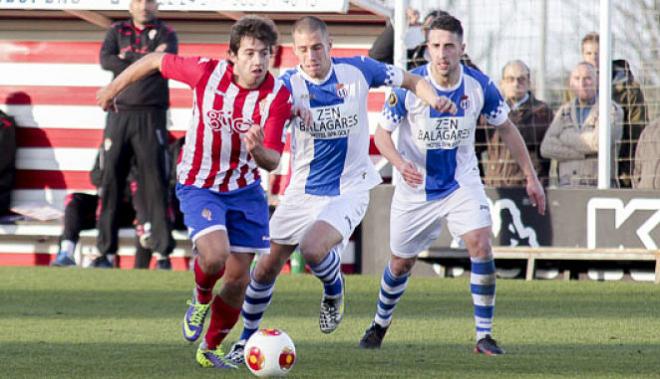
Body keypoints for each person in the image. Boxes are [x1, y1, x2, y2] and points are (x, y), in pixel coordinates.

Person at [224, 15, 457, 366]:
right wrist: (257, 147)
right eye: (303, 50)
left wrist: (435, 98)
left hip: (350, 188)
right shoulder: (284, 87)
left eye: (317, 47)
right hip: (302, 191)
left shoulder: (359, 70)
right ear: (295, 52)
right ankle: (244, 342)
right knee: (264, 268)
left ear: (329, 46)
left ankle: (334, 288)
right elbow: (270, 154)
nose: (311, 56)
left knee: (313, 248)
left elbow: (409, 79)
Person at [97, 15, 291, 369]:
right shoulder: (206, 73)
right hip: (200, 183)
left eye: (265, 53)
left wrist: (258, 150)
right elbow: (154, 60)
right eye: (249, 53)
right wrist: (112, 91)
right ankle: (200, 298)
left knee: (238, 280)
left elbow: (273, 160)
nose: (258, 61)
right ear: (231, 55)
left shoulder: (277, 96)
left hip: (245, 189)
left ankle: (210, 348)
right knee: (215, 257)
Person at [357, 15, 546, 355]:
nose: (442, 54)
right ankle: (379, 323)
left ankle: (484, 336)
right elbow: (382, 135)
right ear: (427, 49)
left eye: (449, 46)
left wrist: (531, 177)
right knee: (401, 262)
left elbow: (507, 128)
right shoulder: (410, 89)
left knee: (481, 243)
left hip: (461, 182)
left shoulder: (479, 86)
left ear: (462, 48)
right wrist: (400, 164)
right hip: (415, 188)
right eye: (435, 46)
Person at [95, 0, 178, 269]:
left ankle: (163, 253)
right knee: (111, 180)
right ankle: (105, 252)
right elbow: (106, 60)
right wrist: (145, 61)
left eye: (150, 1)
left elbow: (162, 64)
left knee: (155, 182)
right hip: (119, 113)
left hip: (151, 115)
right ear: (130, 5)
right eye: (139, 1)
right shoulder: (115, 31)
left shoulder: (167, 33)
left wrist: (127, 60)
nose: (144, 6)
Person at [50, 148, 150, 267]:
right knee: (74, 201)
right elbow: (95, 176)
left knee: (112, 205)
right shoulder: (106, 149)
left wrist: (114, 179)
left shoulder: (140, 148)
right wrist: (109, 178)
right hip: (103, 202)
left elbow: (136, 182)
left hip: (126, 208)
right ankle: (66, 252)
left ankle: (105, 258)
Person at [580, 32, 648, 187]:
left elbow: (636, 135)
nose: (593, 58)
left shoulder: (629, 90)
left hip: (618, 171)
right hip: (581, 172)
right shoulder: (574, 88)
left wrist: (627, 172)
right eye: (588, 53)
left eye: (598, 53)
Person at [541, 62, 623, 187]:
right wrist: (582, 154)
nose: (582, 83)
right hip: (567, 186)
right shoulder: (564, 111)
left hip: (599, 186)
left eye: (588, 78)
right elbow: (546, 148)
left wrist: (564, 136)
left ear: (598, 81)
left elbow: (599, 142)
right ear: (570, 83)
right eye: (577, 78)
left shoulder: (611, 109)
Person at [478, 60, 553, 187]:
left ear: (529, 83)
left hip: (526, 187)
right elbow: (477, 146)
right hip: (495, 186)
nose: (516, 84)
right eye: (510, 79)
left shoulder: (541, 112)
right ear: (502, 84)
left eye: (521, 79)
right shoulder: (490, 111)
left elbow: (522, 132)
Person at [632, 117, 660, 189]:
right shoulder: (650, 129)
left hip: (645, 193)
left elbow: (637, 171)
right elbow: (637, 169)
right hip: (646, 192)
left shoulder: (650, 129)